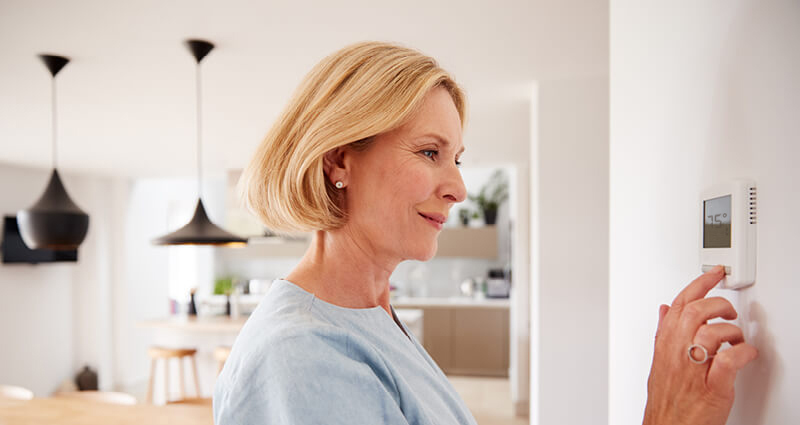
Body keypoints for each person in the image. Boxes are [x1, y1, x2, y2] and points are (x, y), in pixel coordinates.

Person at [213, 41, 757, 425]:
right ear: (339, 161)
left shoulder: (371, 315)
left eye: (456, 158)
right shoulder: (302, 356)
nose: (458, 187)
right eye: (430, 152)